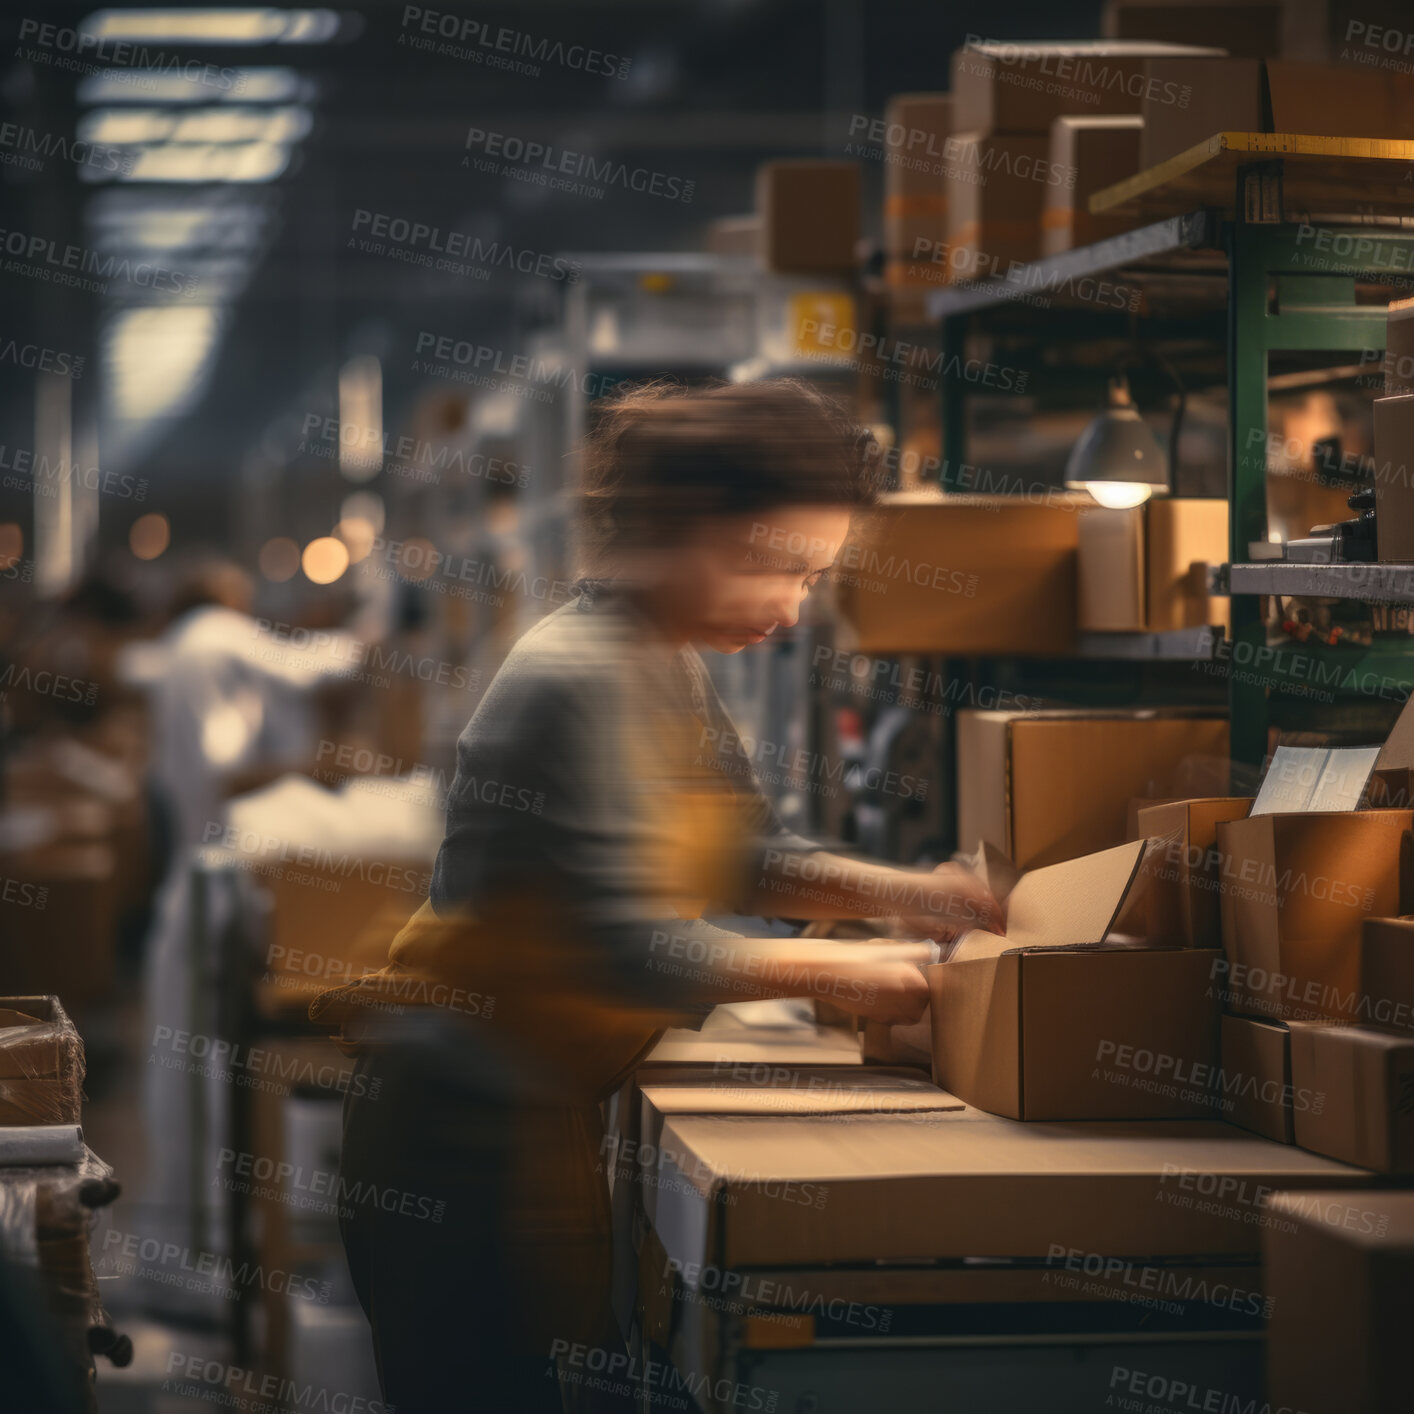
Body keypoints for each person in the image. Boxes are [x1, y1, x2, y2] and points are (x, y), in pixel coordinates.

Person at [314, 380, 1003, 1412]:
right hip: (460, 1139)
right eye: (785, 569)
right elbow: (619, 949)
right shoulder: (580, 674)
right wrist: (844, 968)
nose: (792, 608)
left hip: (530, 1117)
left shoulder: (660, 659)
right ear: (696, 535)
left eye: (812, 577)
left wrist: (920, 895)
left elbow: (744, 852)